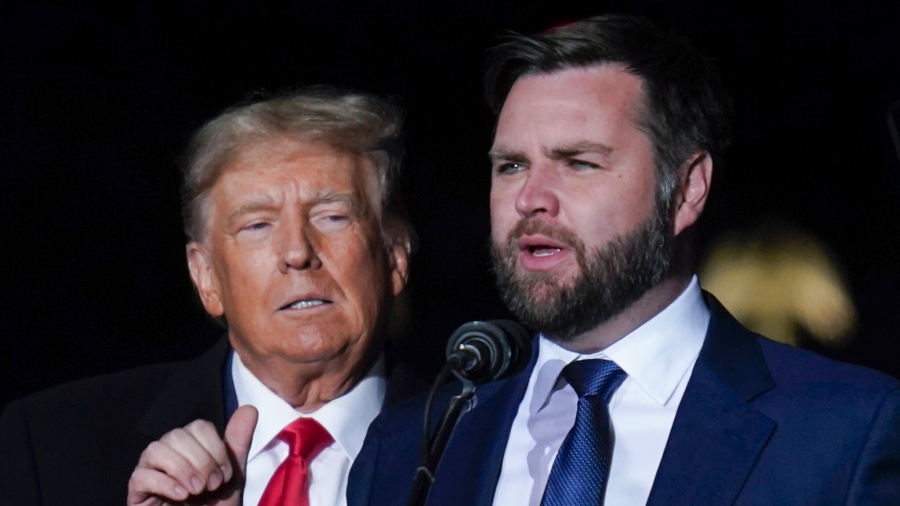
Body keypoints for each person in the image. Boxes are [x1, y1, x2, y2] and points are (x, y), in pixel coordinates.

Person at [347, 14, 900, 506]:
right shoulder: (404, 451)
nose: (530, 197)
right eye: (511, 165)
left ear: (686, 189)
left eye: (578, 163)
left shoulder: (847, 433)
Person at [0, 86, 419, 506]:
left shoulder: (458, 447)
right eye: (257, 225)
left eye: (332, 216)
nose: (297, 252)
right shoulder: (49, 444)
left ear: (395, 256)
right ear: (206, 277)